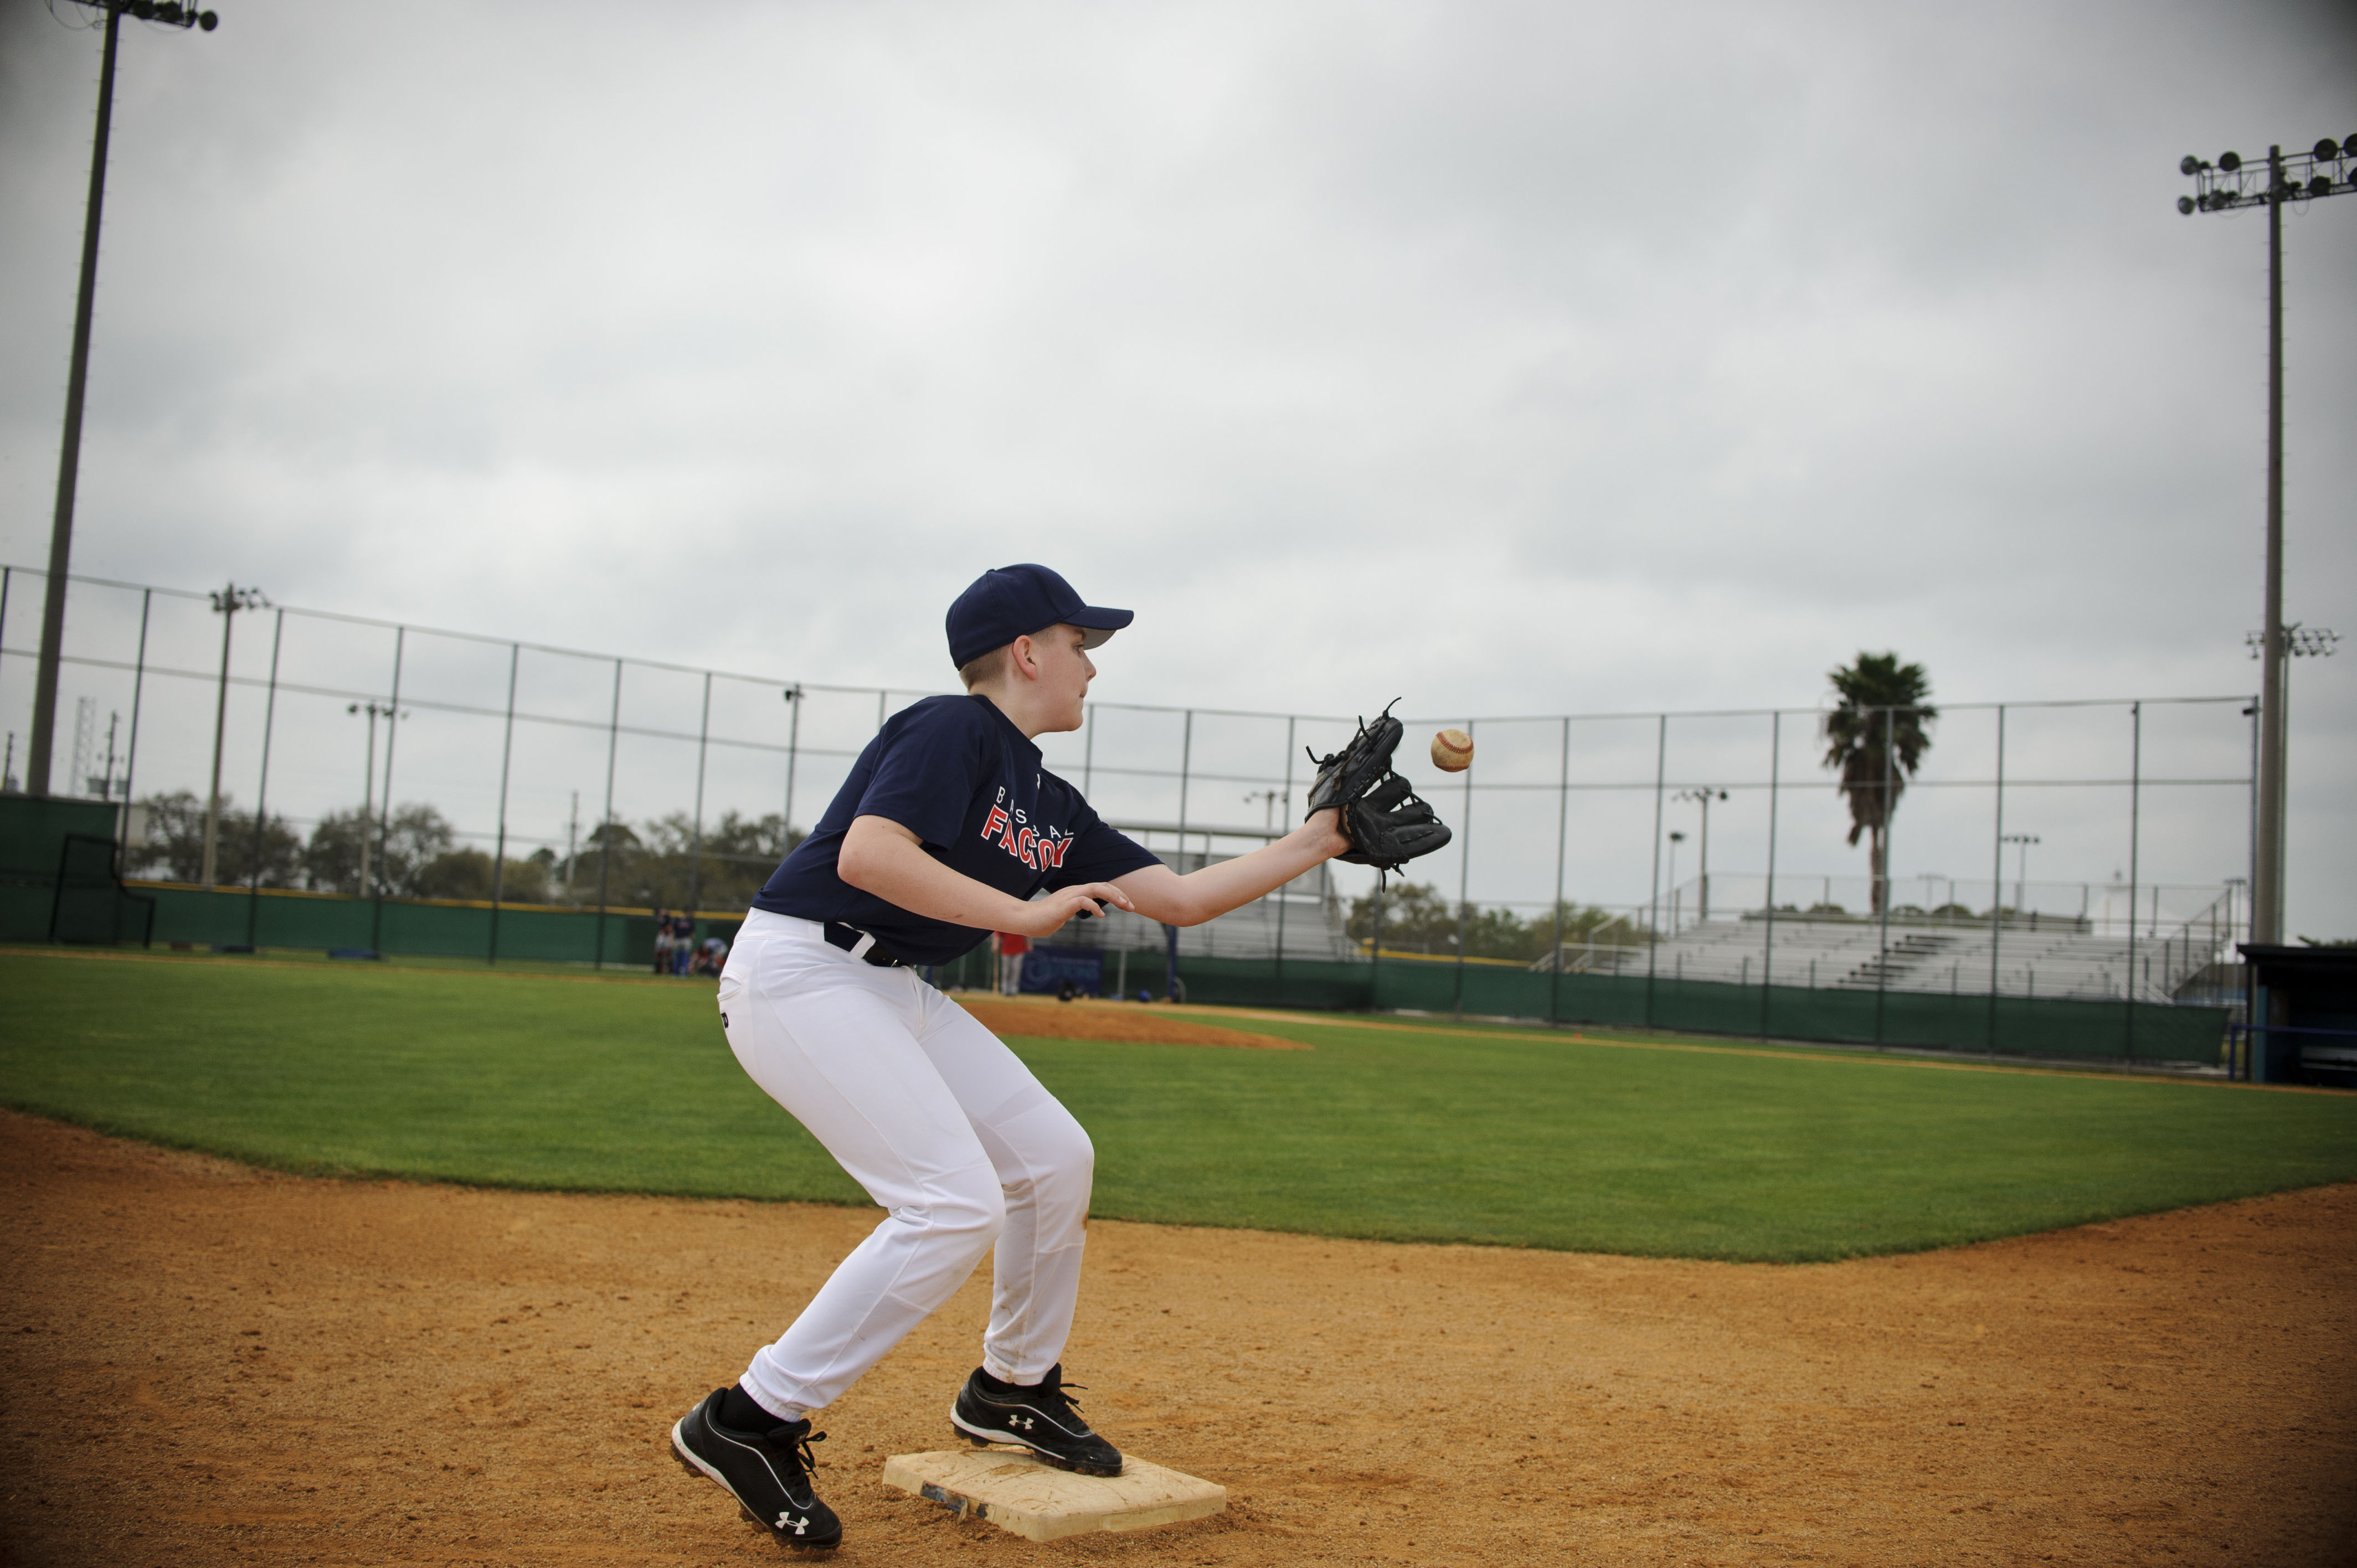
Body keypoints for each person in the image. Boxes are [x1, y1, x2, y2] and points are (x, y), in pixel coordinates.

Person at [667, 564, 1355, 1551]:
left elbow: (1181, 899)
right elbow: (869, 855)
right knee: (953, 1199)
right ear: (1027, 653)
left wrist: (1318, 838)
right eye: (1081, 646)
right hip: (800, 973)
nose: (1090, 668)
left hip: (887, 986)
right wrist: (1019, 911)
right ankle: (749, 1418)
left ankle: (1011, 1388)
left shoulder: (1048, 798)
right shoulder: (952, 730)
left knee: (1051, 1157)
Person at [994, 929, 1030, 994]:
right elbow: (998, 934)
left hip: (1019, 949)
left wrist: (1029, 945)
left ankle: (1014, 990)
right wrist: (996, 944)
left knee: (1016, 970)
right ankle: (1005, 989)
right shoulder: (1005, 922)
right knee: (1006, 971)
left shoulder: (1022, 921)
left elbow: (1027, 934)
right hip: (1006, 950)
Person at [652, 910, 675, 977]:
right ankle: (659, 970)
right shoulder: (661, 918)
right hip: (662, 936)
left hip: (666, 936)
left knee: (667, 953)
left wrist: (670, 938)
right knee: (658, 953)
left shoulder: (667, 917)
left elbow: (670, 928)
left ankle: (671, 970)